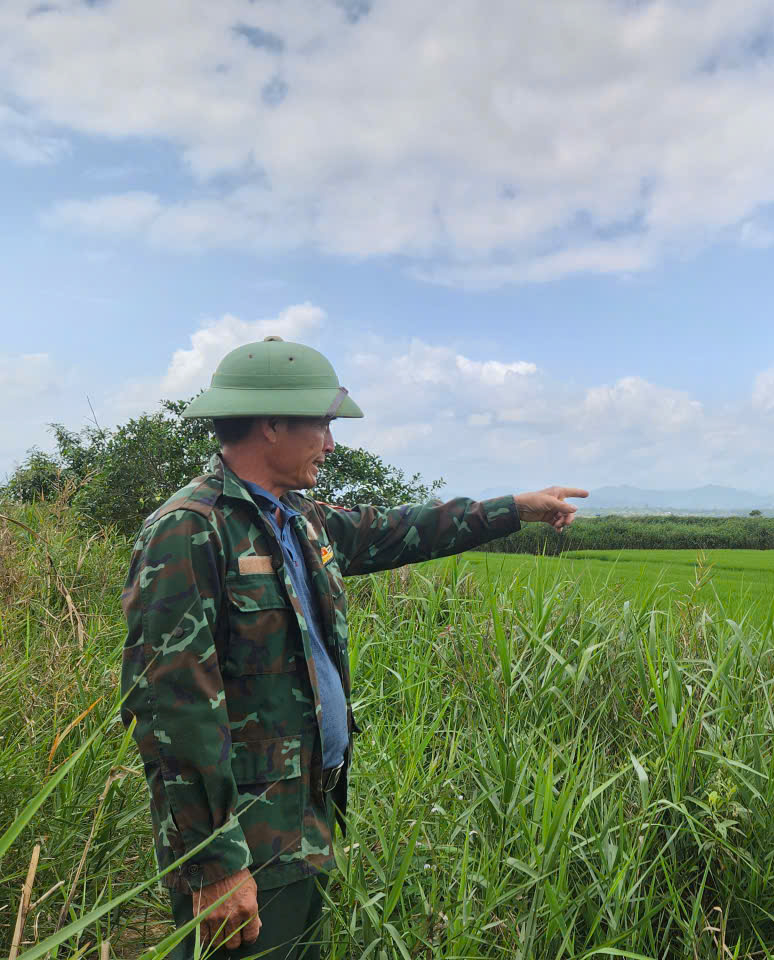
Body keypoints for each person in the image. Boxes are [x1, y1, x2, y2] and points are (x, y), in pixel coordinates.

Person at [120, 336, 586, 958]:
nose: (332, 444)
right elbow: (171, 708)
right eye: (322, 425)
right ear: (273, 424)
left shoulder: (299, 518)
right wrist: (216, 864)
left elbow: (402, 529)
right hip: (246, 838)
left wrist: (514, 509)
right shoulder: (190, 530)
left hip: (304, 812)